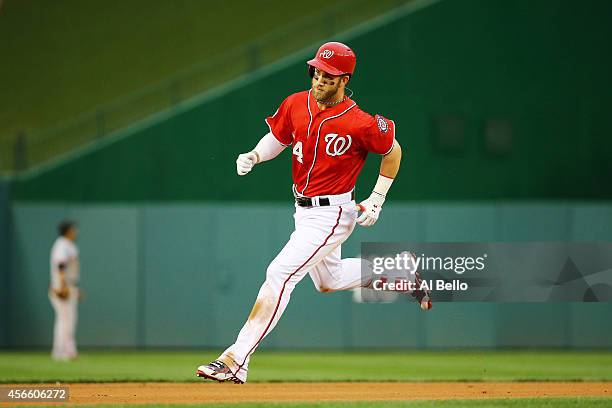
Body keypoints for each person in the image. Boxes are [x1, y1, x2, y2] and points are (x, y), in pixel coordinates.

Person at [197, 41, 431, 384]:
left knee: (279, 273)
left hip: (333, 213)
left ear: (344, 79)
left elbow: (393, 150)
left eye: (329, 75)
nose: (320, 79)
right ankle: (401, 269)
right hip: (303, 210)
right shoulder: (296, 103)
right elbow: (277, 138)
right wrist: (255, 155)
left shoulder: (360, 122)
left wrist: (377, 197)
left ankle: (235, 359)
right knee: (329, 280)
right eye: (318, 71)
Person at [48, 220, 80, 361]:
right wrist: (63, 286)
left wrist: (74, 288)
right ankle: (62, 352)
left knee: (66, 319)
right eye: (73, 229)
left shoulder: (67, 245)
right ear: (68, 231)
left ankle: (64, 351)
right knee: (65, 320)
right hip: (61, 286)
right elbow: (61, 265)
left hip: (68, 285)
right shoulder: (62, 245)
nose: (75, 232)